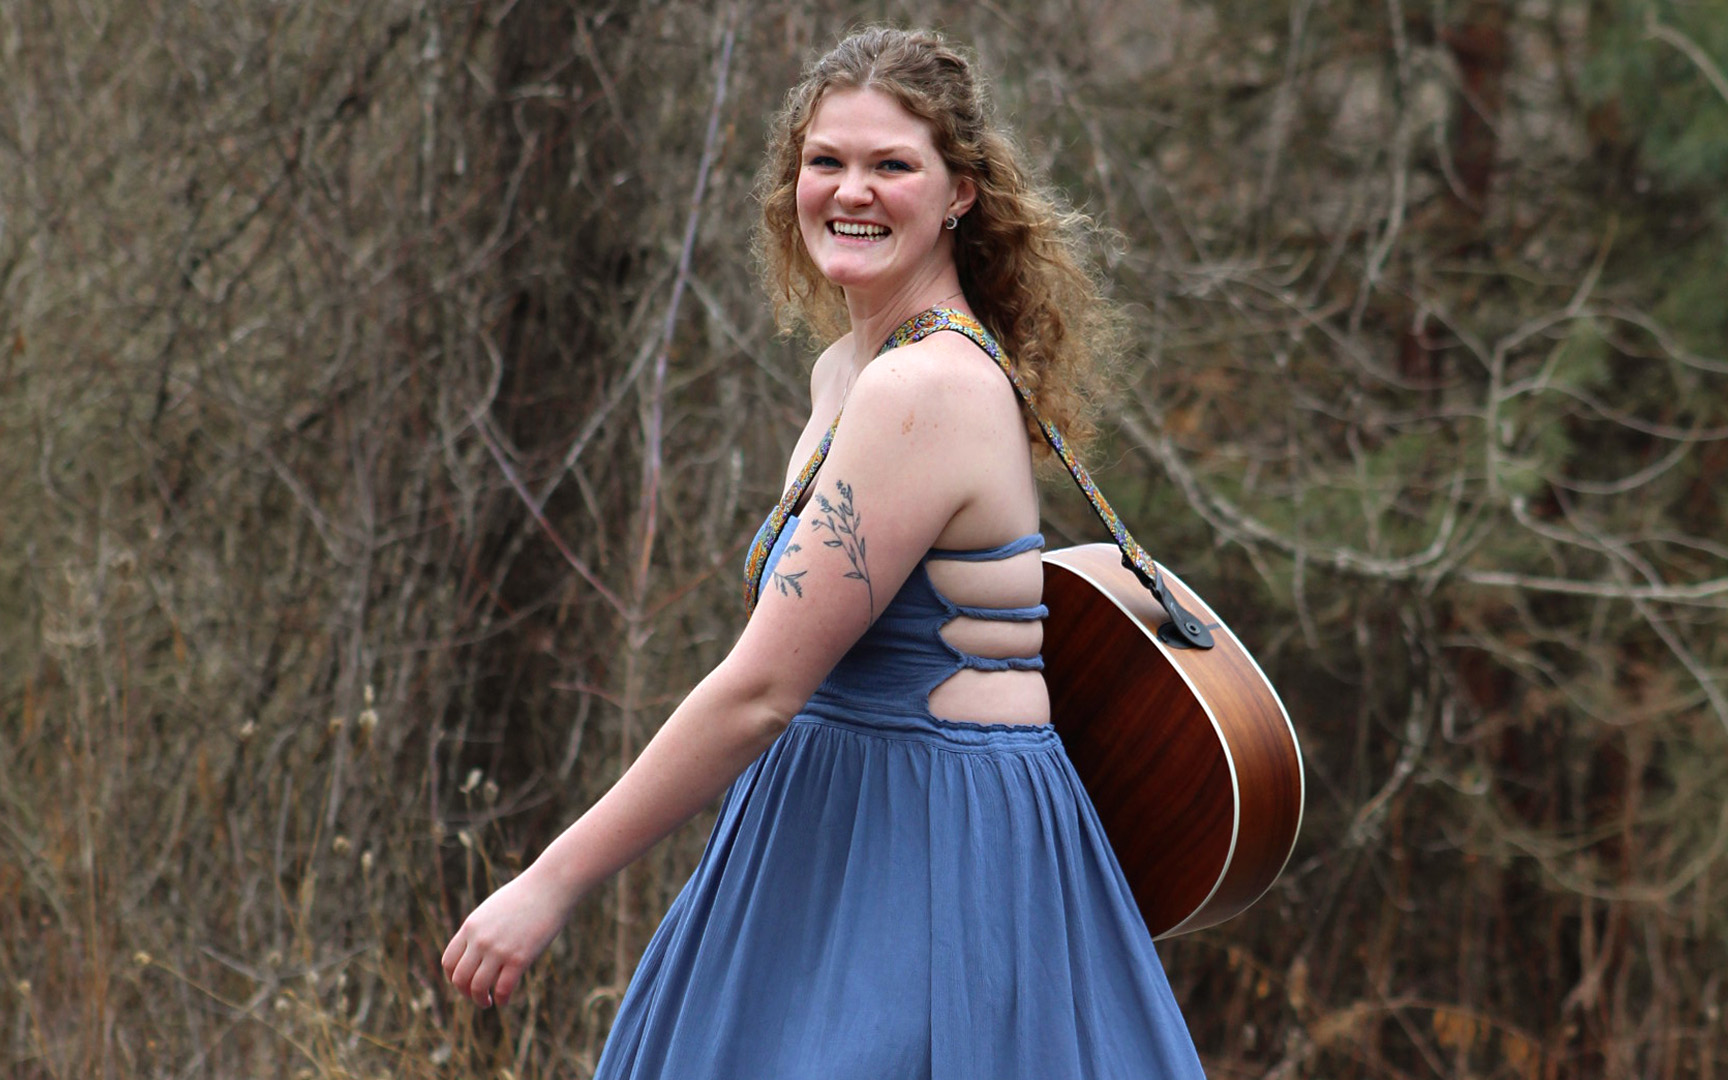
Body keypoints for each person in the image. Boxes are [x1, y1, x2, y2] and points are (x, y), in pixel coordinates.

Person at [442, 26, 1207, 1079]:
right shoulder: (851, 370)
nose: (852, 190)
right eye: (826, 161)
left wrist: (550, 882)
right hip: (827, 819)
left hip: (930, 849)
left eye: (893, 164)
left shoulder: (921, 387)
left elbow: (761, 688)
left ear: (961, 195)